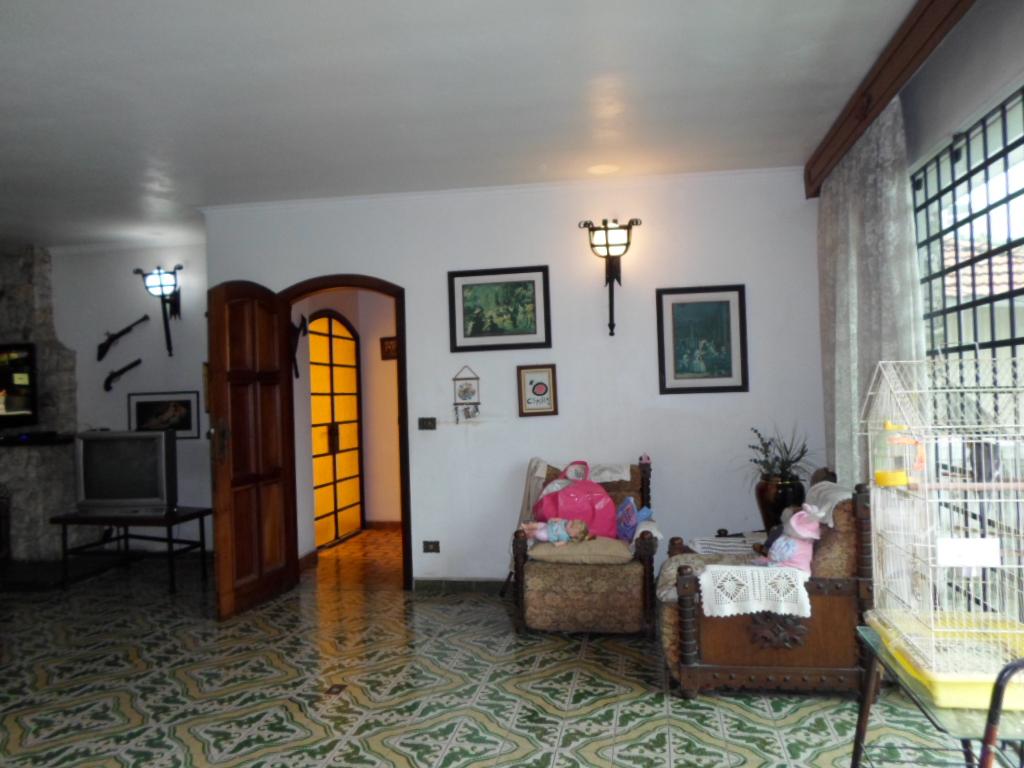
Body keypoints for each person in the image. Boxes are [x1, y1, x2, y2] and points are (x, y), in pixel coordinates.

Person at [520, 518, 590, 546]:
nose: (570, 522)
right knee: (537, 525)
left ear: (572, 534)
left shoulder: (565, 537)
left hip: (547, 535)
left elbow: (562, 543)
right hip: (547, 526)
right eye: (572, 522)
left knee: (536, 533)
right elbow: (559, 519)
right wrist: (554, 519)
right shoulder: (566, 522)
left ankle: (526, 534)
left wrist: (557, 544)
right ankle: (527, 527)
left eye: (571, 525)